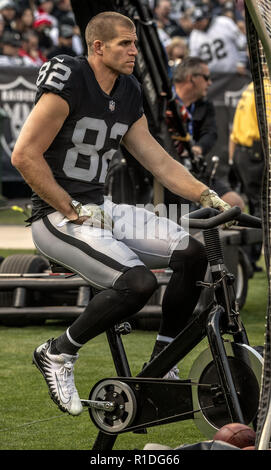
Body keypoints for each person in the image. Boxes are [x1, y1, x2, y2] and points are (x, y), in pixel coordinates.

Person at [12, 11, 231, 417]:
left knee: (191, 253)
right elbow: (24, 155)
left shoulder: (128, 88)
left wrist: (208, 195)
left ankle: (163, 361)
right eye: (125, 44)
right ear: (98, 47)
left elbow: (157, 160)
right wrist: (71, 208)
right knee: (137, 282)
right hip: (55, 215)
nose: (134, 50)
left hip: (100, 206)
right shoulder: (71, 78)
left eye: (135, 42)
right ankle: (57, 352)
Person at [169, 56, 245, 209]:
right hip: (167, 169)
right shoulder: (164, 100)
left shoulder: (205, 105)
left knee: (235, 204)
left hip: (195, 168)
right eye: (207, 78)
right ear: (192, 78)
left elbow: (210, 133)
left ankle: (212, 232)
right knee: (177, 213)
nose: (210, 83)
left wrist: (198, 148)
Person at [229, 81, 264, 272]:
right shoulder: (265, 88)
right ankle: (250, 260)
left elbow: (234, 131)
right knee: (261, 207)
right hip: (257, 153)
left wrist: (232, 157)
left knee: (253, 206)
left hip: (243, 153)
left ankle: (249, 259)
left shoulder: (252, 86)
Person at [189, 4, 248, 74]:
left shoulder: (224, 22)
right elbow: (194, 58)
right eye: (195, 22)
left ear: (206, 17)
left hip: (234, 72)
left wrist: (241, 63)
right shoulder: (194, 35)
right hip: (213, 78)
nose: (197, 24)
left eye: (199, 21)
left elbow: (242, 43)